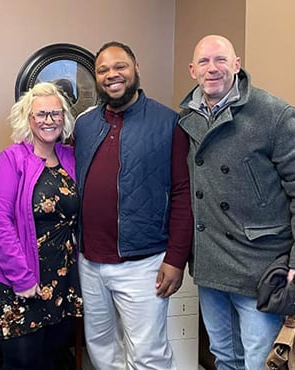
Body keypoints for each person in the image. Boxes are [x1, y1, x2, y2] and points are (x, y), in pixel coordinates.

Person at [178, 34, 295, 369]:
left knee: (261, 361)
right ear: (192, 70)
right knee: (225, 357)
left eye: (220, 60)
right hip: (211, 265)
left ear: (237, 64)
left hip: (260, 268)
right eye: (204, 62)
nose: (212, 68)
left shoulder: (273, 113)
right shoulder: (187, 118)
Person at [74, 41, 194, 370]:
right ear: (96, 78)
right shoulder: (85, 125)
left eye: (120, 67)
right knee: (100, 349)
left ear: (136, 69)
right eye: (103, 70)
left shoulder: (169, 122)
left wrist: (176, 258)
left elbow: (184, 193)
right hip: (90, 261)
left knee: (148, 354)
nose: (112, 75)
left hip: (143, 263)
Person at [0, 82, 83, 370]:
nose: (48, 120)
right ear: (28, 119)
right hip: (15, 282)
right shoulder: (11, 160)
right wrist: (22, 278)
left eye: (55, 113)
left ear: (64, 118)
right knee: (23, 362)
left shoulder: (71, 158)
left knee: (53, 358)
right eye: (40, 114)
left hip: (60, 280)